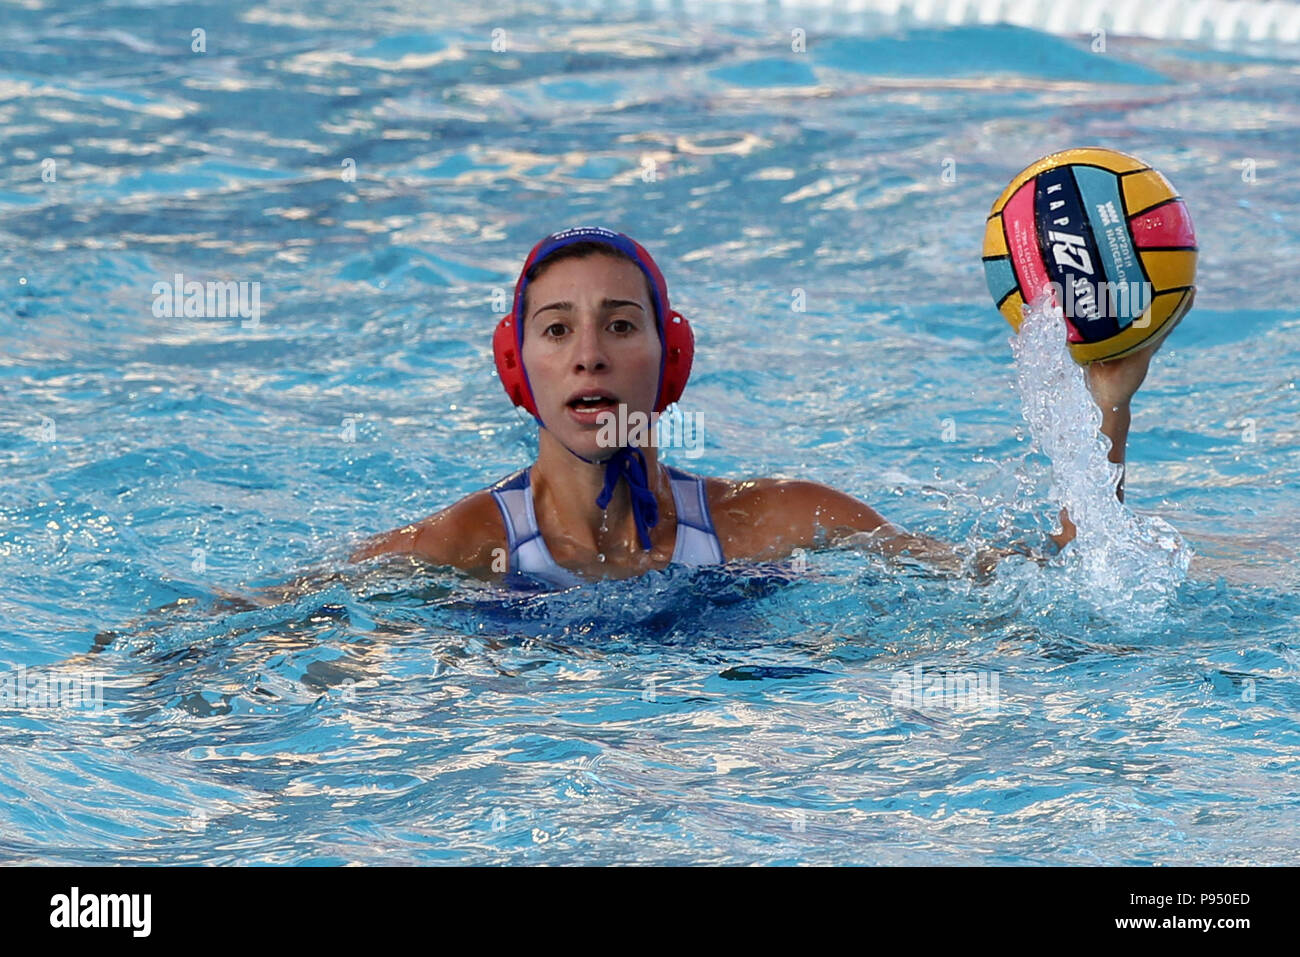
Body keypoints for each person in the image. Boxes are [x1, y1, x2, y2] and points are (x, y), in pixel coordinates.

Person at [349, 226, 1162, 588]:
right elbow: (261, 627)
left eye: (620, 325)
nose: (589, 352)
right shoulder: (456, 547)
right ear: (515, 367)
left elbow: (1050, 583)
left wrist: (1106, 405)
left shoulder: (777, 522)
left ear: (672, 359)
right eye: (556, 329)